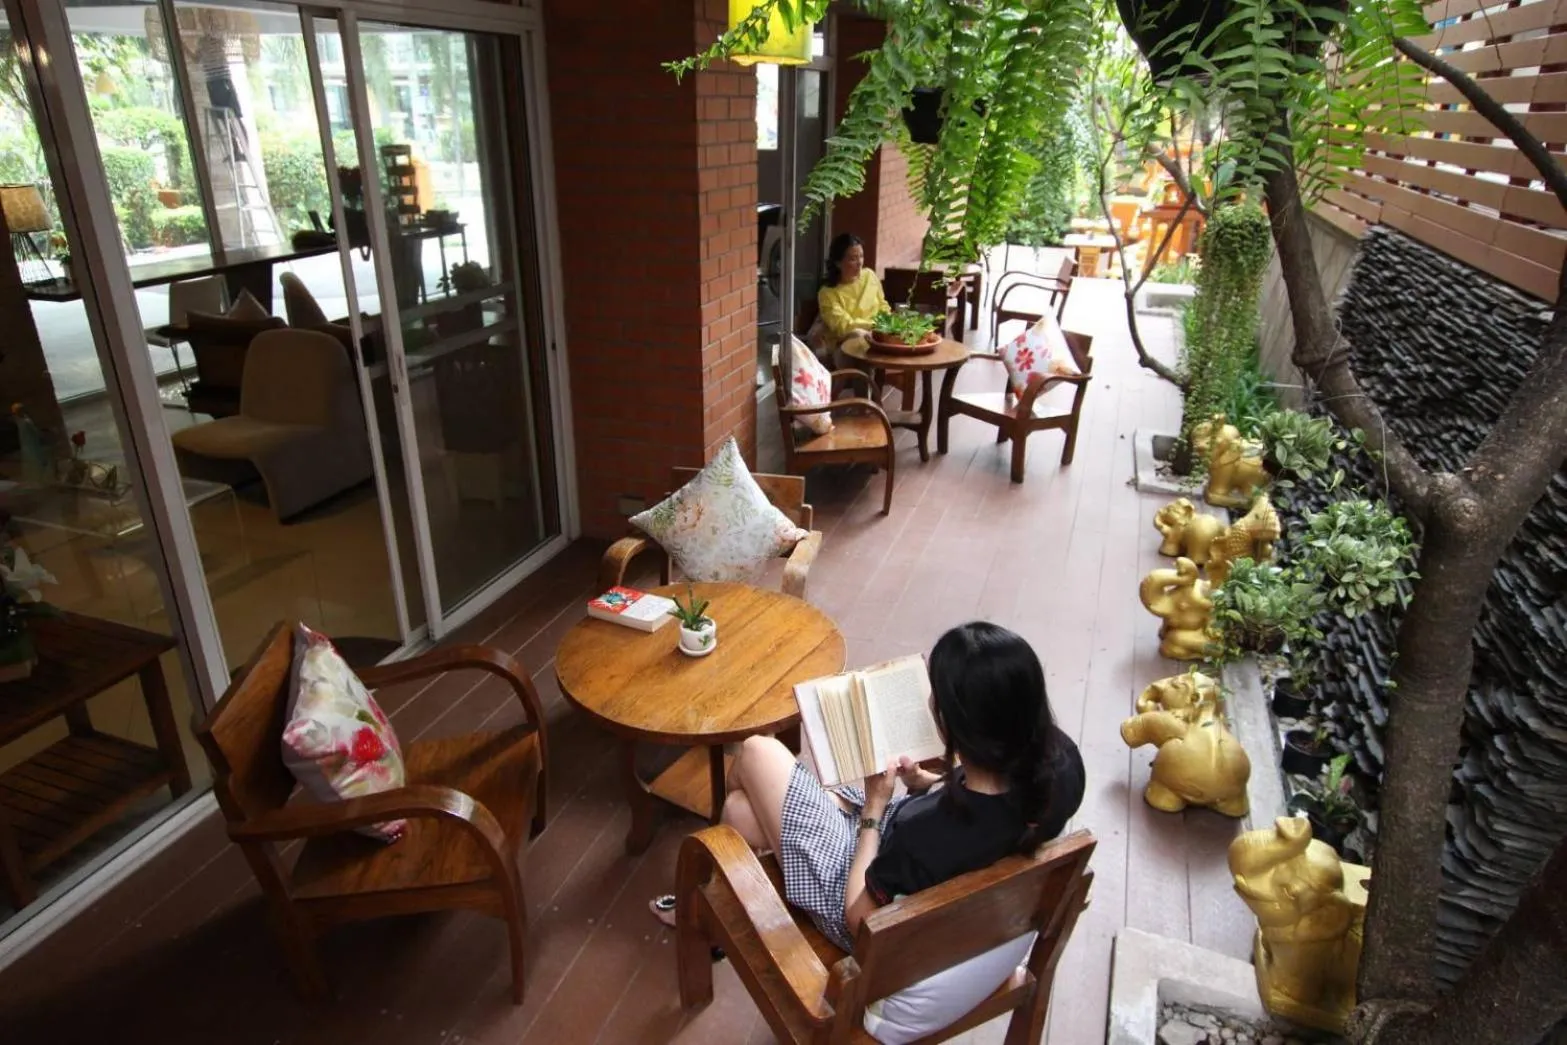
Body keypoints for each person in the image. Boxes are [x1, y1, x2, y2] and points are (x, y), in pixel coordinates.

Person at [719, 621, 1085, 954]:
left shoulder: (926, 837)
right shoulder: (1062, 764)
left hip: (861, 888)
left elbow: (858, 918)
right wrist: (929, 783)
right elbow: (986, 811)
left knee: (755, 751)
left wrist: (873, 809)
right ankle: (724, 907)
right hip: (913, 867)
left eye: (935, 695)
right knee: (739, 810)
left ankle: (714, 909)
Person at [812, 232, 888, 362]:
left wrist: (888, 323)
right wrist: (875, 327)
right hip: (844, 345)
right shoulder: (828, 293)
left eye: (861, 256)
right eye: (853, 259)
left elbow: (883, 305)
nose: (859, 263)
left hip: (877, 337)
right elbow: (844, 326)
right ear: (838, 263)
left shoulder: (870, 276)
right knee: (857, 336)